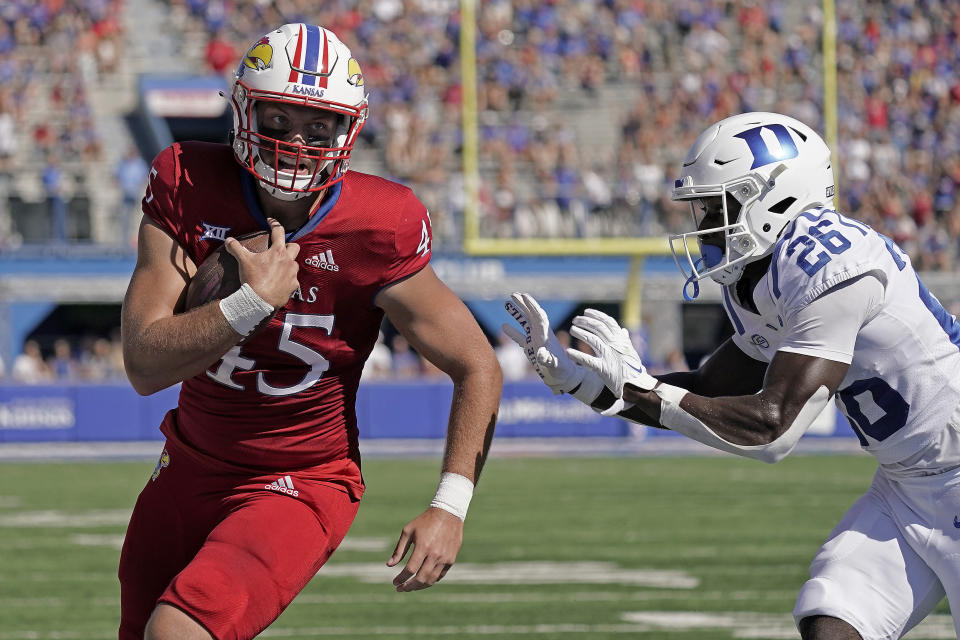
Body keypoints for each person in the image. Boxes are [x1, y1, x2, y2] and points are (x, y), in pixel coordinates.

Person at [504, 112, 960, 640]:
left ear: (775, 195)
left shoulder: (830, 260)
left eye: (718, 206)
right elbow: (711, 392)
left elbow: (772, 429)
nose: (704, 226)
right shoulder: (761, 272)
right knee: (832, 619)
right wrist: (588, 382)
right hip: (907, 485)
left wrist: (641, 389)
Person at [119, 23, 501, 640]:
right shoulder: (188, 182)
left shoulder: (379, 224)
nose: (297, 142)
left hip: (302, 479)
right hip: (187, 464)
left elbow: (476, 363)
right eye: (278, 120)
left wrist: (450, 506)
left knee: (178, 633)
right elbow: (143, 363)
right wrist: (248, 305)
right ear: (244, 110)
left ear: (346, 132)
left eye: (318, 127)